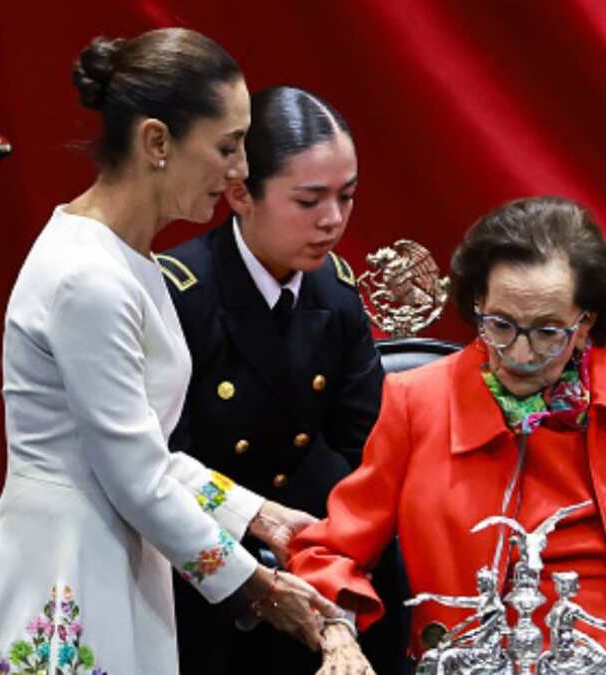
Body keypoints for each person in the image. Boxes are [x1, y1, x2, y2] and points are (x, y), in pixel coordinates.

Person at [0, 29, 336, 674]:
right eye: (227, 147)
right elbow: (137, 478)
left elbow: (146, 456)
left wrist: (262, 515)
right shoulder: (88, 276)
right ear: (156, 142)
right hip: (64, 570)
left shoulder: (128, 260)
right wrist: (259, 587)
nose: (241, 172)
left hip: (112, 554)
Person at [288, 196, 606, 675]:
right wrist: (337, 633)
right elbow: (328, 552)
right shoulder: (419, 403)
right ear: (477, 304)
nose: (520, 353)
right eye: (500, 325)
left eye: (547, 332)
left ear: (587, 324)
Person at [157, 85, 400, 675]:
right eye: (309, 200)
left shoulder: (334, 293)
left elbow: (362, 447)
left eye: (346, 197)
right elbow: (159, 461)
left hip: (312, 545)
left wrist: (333, 559)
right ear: (240, 193)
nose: (334, 220)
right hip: (205, 561)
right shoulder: (180, 291)